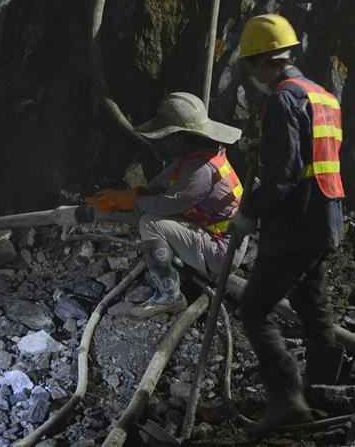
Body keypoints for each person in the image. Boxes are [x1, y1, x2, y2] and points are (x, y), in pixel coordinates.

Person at [228, 14, 346, 435]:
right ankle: (325, 395)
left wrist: (249, 213)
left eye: (251, 66)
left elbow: (284, 172)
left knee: (255, 309)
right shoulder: (323, 95)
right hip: (326, 221)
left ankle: (287, 403)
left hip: (295, 226)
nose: (251, 76)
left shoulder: (283, 99)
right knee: (314, 312)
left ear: (265, 62)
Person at [86, 92, 248, 318]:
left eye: (165, 136)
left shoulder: (201, 171)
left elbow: (164, 206)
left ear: (179, 138)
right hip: (217, 237)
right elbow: (159, 185)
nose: (161, 142)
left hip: (221, 253)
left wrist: (131, 203)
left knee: (150, 223)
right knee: (146, 213)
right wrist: (123, 198)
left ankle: (169, 296)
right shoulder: (195, 156)